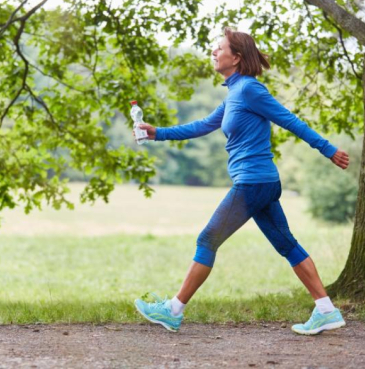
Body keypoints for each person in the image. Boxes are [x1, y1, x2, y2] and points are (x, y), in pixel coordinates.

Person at [133, 27, 350, 336]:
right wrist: (158, 133)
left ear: (236, 57)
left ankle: (173, 311)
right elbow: (203, 125)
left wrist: (327, 149)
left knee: (208, 240)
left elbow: (289, 119)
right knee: (286, 244)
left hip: (252, 183)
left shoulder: (250, 89)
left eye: (219, 48)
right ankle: (327, 310)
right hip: (260, 184)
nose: (213, 52)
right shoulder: (234, 93)